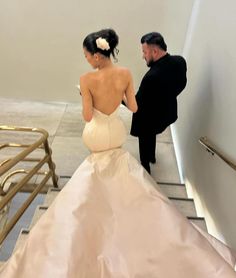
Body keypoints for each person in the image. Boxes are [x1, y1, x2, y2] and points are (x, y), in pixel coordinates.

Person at [0, 29, 235, 278]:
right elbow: (134, 106)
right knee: (122, 166)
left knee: (96, 169)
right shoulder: (129, 73)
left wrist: (85, 95)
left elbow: (88, 116)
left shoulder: (87, 79)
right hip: (118, 131)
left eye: (88, 55)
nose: (87, 60)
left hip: (99, 133)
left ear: (98, 56)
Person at [130, 32, 187, 174]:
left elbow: (135, 104)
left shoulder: (151, 77)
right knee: (153, 132)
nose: (143, 56)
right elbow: (182, 84)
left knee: (146, 136)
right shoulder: (180, 61)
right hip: (166, 114)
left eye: (144, 52)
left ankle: (146, 167)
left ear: (155, 51)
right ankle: (152, 156)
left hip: (148, 119)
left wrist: (119, 95)